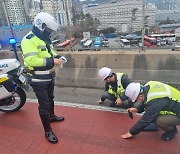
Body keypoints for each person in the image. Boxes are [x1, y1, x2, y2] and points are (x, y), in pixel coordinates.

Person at [21, 12, 67, 144]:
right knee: (44, 104)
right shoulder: (29, 40)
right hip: (38, 79)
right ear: (41, 26)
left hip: (49, 76)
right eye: (49, 30)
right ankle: (47, 130)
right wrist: (52, 61)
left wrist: (57, 56)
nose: (50, 32)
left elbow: (49, 51)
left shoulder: (43, 37)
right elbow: (31, 60)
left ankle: (51, 116)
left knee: (51, 98)